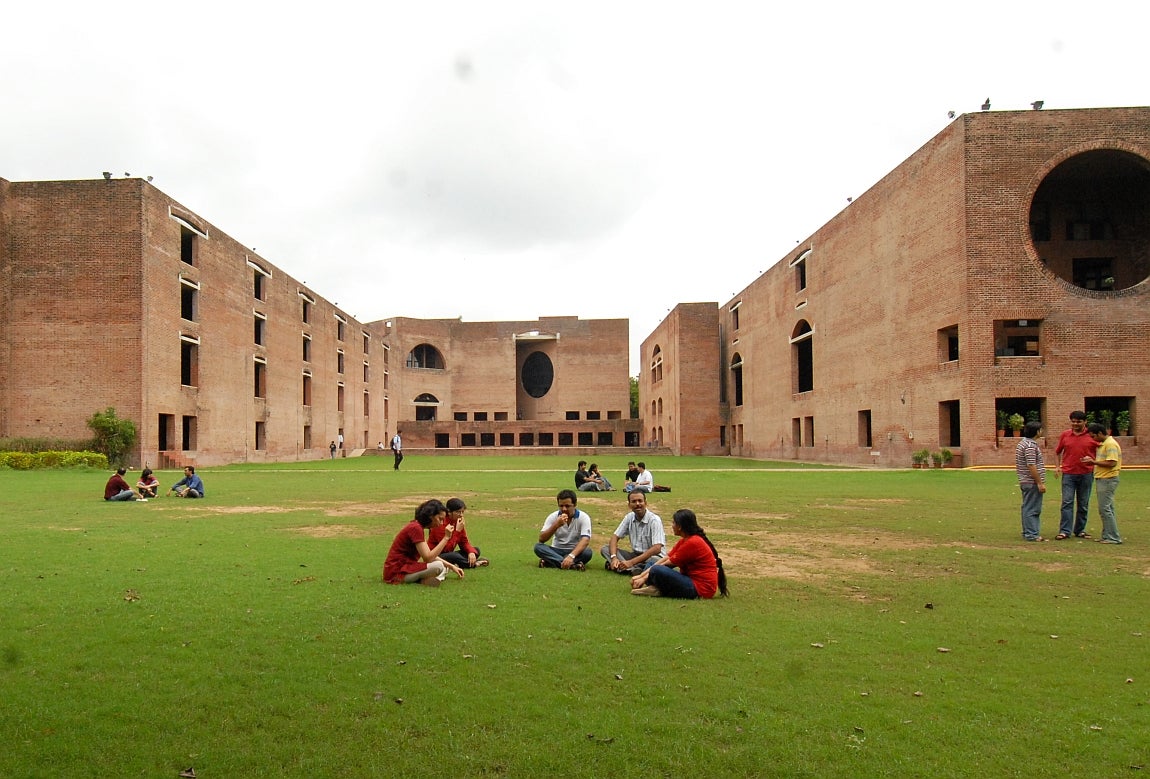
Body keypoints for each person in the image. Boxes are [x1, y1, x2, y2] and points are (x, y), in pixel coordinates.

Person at [630, 508, 728, 599]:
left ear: (680, 526)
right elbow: (666, 558)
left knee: (657, 569)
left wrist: (642, 579)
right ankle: (657, 588)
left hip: (700, 589)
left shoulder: (693, 542)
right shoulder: (684, 540)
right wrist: (640, 576)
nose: (672, 526)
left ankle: (658, 589)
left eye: (673, 523)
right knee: (652, 563)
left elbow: (667, 564)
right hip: (689, 580)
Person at [382, 499, 466, 586]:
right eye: (440, 519)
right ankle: (427, 579)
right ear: (431, 516)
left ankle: (424, 580)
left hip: (403, 568)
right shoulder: (416, 528)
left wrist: (451, 566)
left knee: (442, 566)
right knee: (439, 566)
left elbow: (429, 554)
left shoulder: (417, 526)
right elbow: (428, 558)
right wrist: (446, 537)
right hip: (396, 573)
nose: (441, 523)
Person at [1054, 410, 1098, 540]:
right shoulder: (1065, 435)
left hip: (1086, 473)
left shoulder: (1092, 435)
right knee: (1067, 502)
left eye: (1078, 422)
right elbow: (1057, 452)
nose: (1075, 424)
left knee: (1083, 503)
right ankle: (1064, 531)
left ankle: (1080, 530)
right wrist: (1057, 467)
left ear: (1085, 422)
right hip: (1068, 474)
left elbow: (1101, 450)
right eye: (1073, 421)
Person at [601, 490, 666, 574]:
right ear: (629, 505)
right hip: (636, 555)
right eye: (634, 501)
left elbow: (657, 548)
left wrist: (631, 562)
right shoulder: (629, 517)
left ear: (645, 503)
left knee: (654, 561)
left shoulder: (654, 520)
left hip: (652, 557)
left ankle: (626, 568)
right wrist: (614, 558)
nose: (637, 504)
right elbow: (614, 537)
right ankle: (631, 569)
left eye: (640, 501)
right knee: (605, 549)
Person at [1083, 423, 1123, 544]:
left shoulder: (1110, 444)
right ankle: (1107, 535)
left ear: (1100, 433)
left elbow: (1112, 463)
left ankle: (1113, 537)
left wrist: (1093, 462)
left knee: (1104, 508)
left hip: (1108, 478)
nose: (1093, 439)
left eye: (1094, 436)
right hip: (1103, 478)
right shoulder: (1103, 444)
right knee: (1108, 508)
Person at [534, 489, 593, 570]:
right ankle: (572, 565)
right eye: (561, 506)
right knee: (538, 547)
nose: (564, 509)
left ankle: (552, 561)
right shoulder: (553, 517)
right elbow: (542, 539)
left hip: (574, 551)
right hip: (556, 550)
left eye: (567, 506)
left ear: (575, 504)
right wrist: (556, 525)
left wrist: (571, 556)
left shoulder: (583, 517)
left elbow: (585, 540)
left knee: (587, 552)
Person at [429, 497, 490, 568]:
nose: (461, 515)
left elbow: (464, 542)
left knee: (476, 550)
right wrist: (457, 531)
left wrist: (471, 552)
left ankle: (460, 563)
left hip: (449, 554)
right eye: (458, 512)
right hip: (437, 556)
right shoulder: (440, 524)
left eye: (462, 512)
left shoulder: (458, 522)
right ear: (449, 512)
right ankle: (474, 564)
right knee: (454, 556)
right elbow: (446, 549)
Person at [1015, 420, 1045, 541]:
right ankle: (1032, 534)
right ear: (1037, 431)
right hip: (1031, 482)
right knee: (1032, 508)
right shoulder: (1030, 446)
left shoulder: (1023, 443)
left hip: (1026, 481)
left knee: (1028, 506)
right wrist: (1039, 482)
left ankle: (1028, 531)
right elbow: (1031, 465)